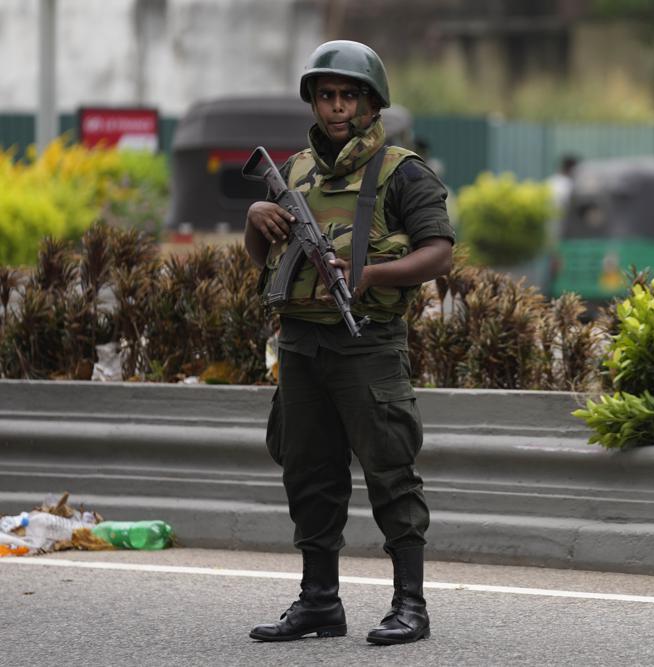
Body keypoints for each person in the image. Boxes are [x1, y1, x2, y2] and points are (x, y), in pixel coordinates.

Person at [243, 40, 454, 645]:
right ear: (314, 101)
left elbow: (438, 252)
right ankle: (318, 603)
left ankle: (409, 604)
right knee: (308, 474)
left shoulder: (401, 171)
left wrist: (370, 275)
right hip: (302, 345)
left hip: (367, 345)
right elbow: (262, 260)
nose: (337, 108)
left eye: (349, 96)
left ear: (371, 103)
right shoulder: (292, 173)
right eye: (327, 96)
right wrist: (257, 218)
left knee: (391, 472)